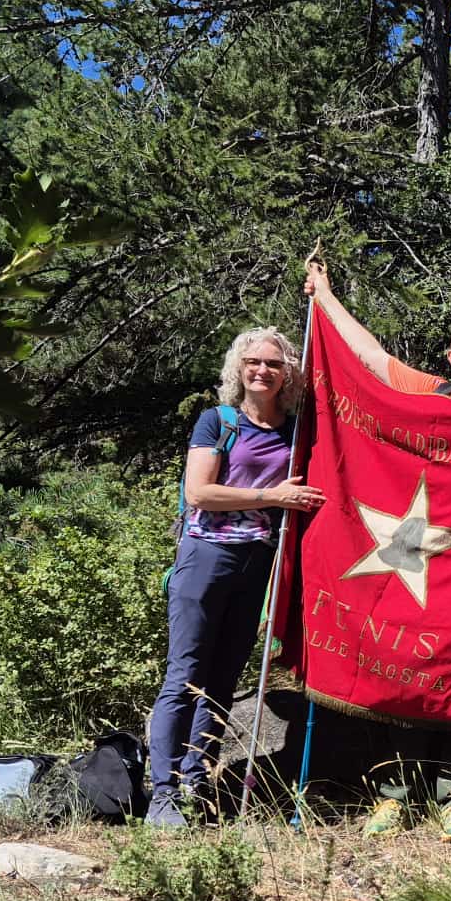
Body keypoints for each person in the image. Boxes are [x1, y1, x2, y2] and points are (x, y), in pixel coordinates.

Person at [305, 252, 451, 842]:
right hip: (409, 555)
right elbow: (370, 358)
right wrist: (323, 294)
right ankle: (395, 794)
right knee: (402, 668)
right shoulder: (427, 391)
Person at [148, 326, 325, 828]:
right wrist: (272, 496)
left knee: (223, 680)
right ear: (238, 369)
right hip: (205, 557)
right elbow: (201, 493)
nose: (262, 370)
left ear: (287, 371)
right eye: (253, 362)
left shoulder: (294, 430)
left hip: (257, 563)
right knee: (185, 677)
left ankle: (196, 780)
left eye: (273, 363)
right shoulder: (218, 421)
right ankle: (162, 795)